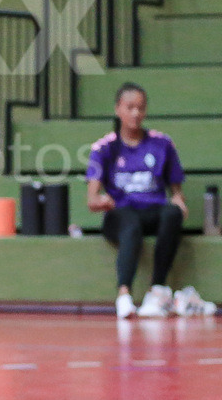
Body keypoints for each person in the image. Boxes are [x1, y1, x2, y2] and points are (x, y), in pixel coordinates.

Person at [86, 82, 212, 318]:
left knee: (172, 213)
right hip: (120, 213)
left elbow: (176, 192)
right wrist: (102, 201)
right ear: (118, 109)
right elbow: (92, 200)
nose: (136, 113)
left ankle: (157, 290)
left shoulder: (162, 144)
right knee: (130, 226)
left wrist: (179, 200)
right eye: (130, 107)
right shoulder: (104, 148)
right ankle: (124, 294)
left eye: (141, 108)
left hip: (152, 211)